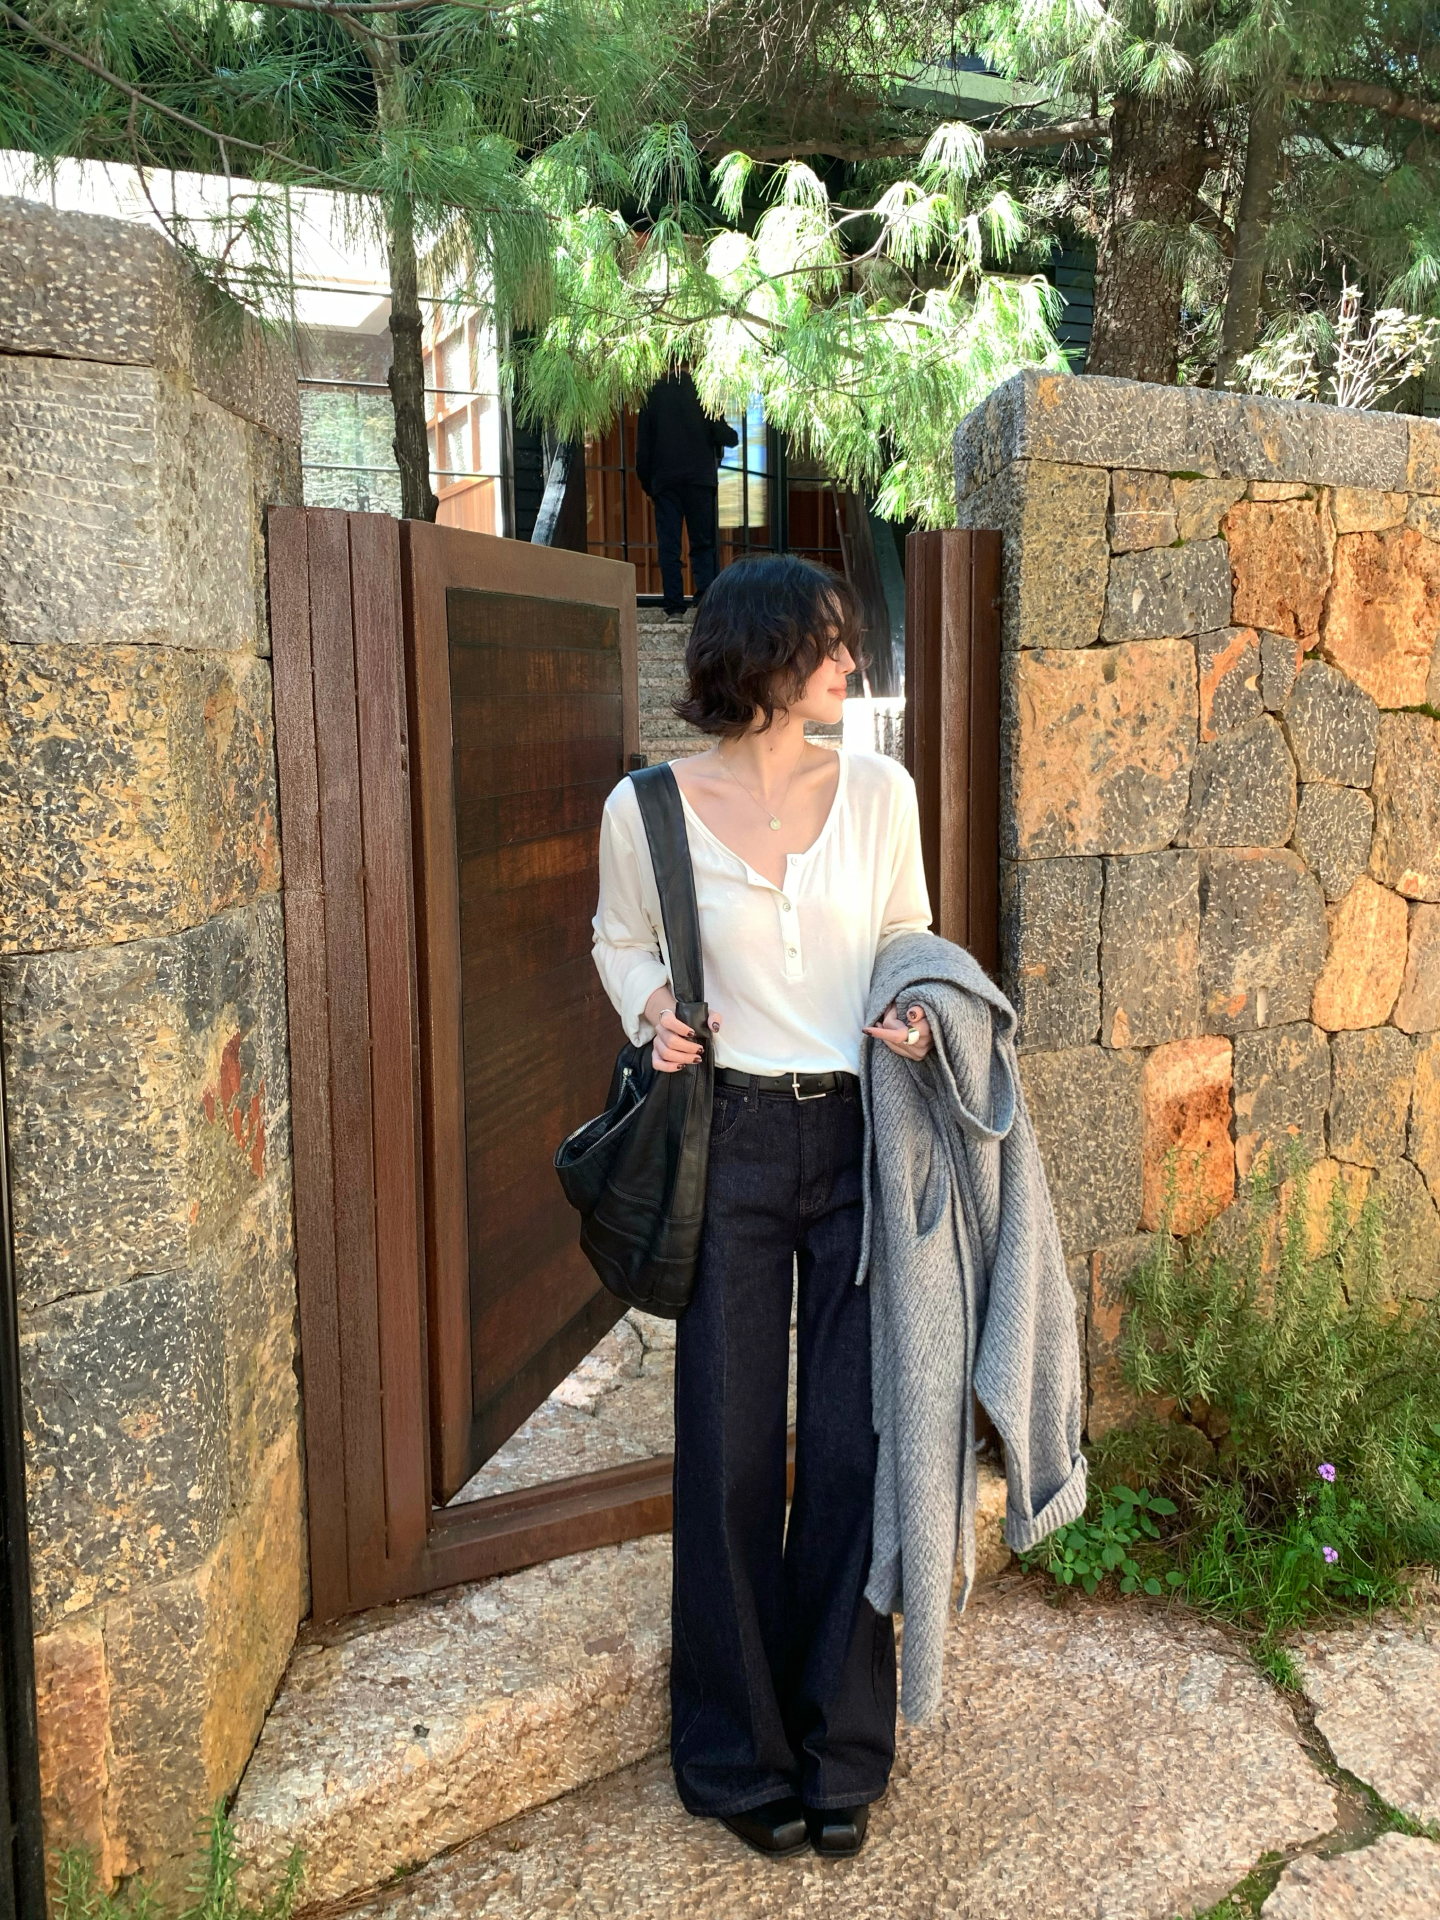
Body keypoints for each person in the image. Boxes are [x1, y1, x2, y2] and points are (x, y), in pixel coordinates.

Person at [590, 554, 933, 1860]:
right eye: (830, 643)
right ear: (766, 656)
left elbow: (907, 938)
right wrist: (653, 1010)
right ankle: (736, 1756)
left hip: (856, 1136)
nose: (851, 664)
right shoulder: (649, 809)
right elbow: (620, 938)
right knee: (728, 1449)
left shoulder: (883, 796)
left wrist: (916, 1013)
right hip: (725, 1141)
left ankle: (840, 1748)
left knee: (852, 1444)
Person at [635, 367, 739, 619]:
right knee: (703, 544)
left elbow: (643, 448)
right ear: (690, 364)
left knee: (669, 546)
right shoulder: (704, 394)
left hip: (666, 481)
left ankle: (674, 607)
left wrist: (649, 485)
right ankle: (706, 603)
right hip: (699, 480)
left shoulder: (652, 395)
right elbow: (726, 436)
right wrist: (728, 434)